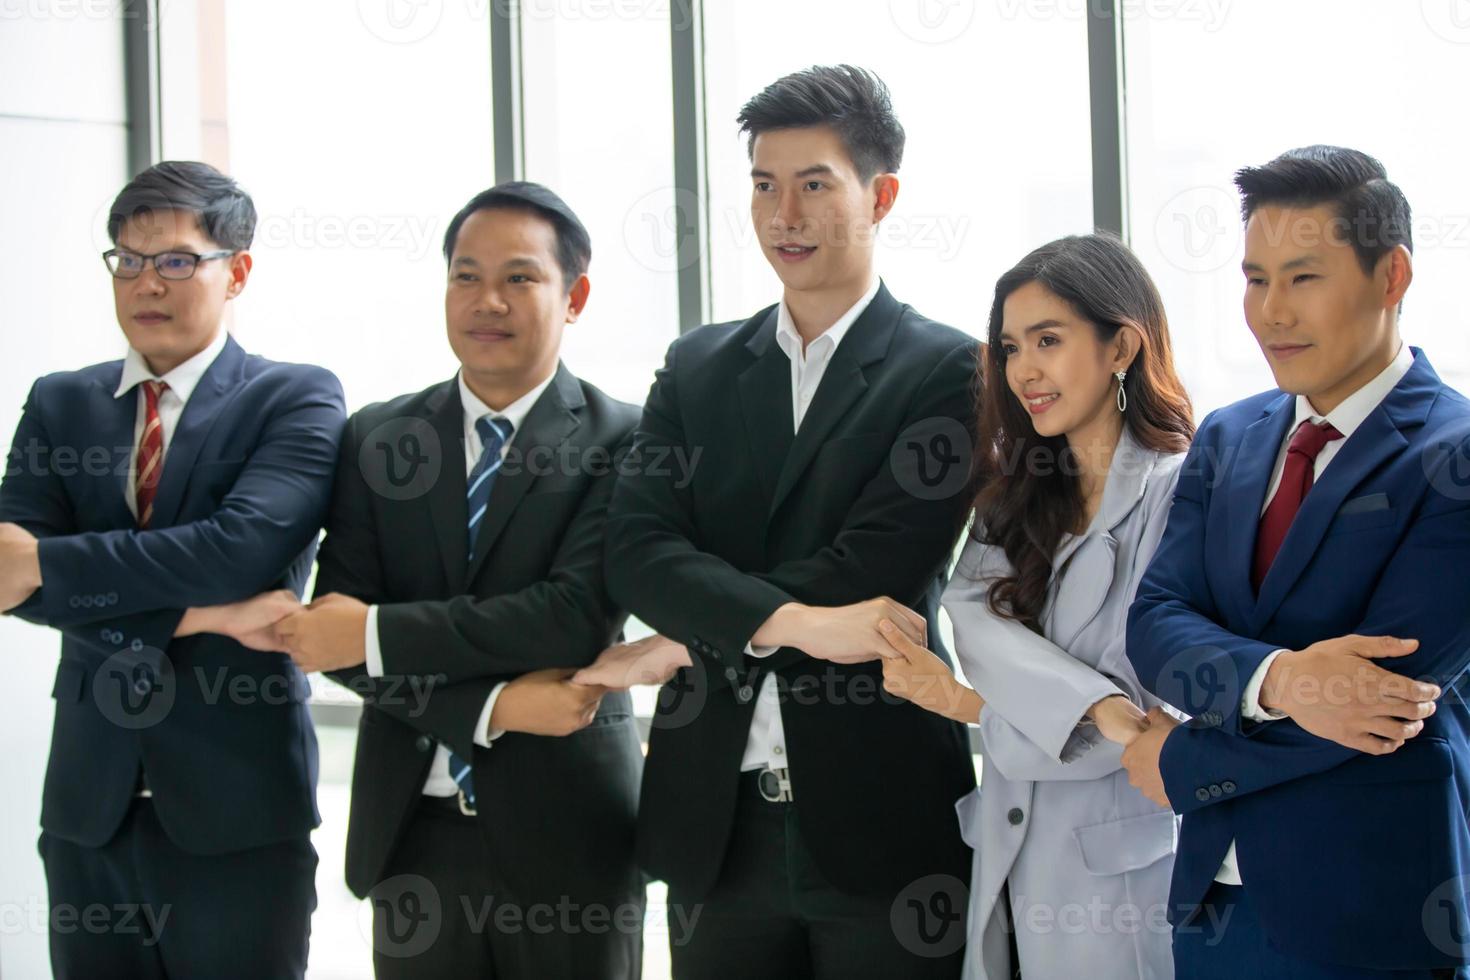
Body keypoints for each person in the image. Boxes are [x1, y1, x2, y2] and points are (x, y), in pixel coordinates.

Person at [587, 65, 978, 978]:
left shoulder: (949, 369)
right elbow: (635, 551)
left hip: (884, 820)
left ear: (880, 196)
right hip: (714, 830)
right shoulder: (699, 365)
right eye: (764, 185)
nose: (783, 215)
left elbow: (875, 569)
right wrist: (798, 625)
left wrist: (693, 632)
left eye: (814, 185)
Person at [270, 181, 646, 978]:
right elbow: (333, 638)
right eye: (465, 276)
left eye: (519, 278)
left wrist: (378, 633)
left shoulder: (628, 437)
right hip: (413, 837)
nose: (487, 301)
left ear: (574, 295)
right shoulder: (380, 437)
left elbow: (572, 619)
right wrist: (497, 705)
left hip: (572, 842)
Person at [1123, 145, 1470, 978]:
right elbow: (1155, 625)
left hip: (1374, 912)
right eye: (1254, 279)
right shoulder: (1229, 435)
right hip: (1215, 904)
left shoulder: (1453, 455)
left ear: (1392, 277)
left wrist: (1180, 760)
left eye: (1303, 278)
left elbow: (1383, 708)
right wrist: (1279, 679)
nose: (1271, 312)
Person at [0, 160, 345, 978]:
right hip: (91, 806)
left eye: (177, 260)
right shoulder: (61, 401)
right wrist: (213, 616)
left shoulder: (293, 397)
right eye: (127, 258)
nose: (146, 282)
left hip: (238, 808)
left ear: (238, 273)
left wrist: (48, 564)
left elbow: (235, 552)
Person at [881, 233, 1193, 979]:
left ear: (1121, 346)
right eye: (1010, 347)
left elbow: (1146, 697)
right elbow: (976, 624)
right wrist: (1094, 709)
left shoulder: (1182, 488)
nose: (1024, 370)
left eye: (1048, 340)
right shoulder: (1011, 500)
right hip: (1013, 859)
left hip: (1121, 881)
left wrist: (974, 705)